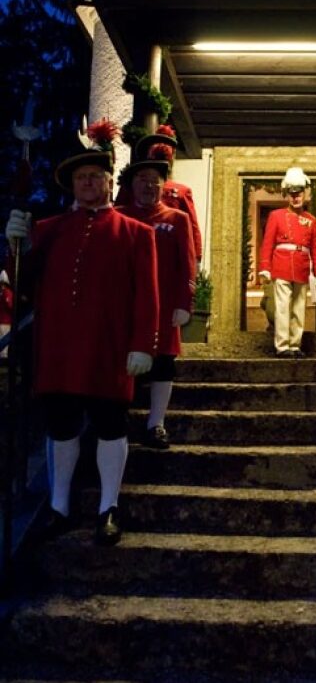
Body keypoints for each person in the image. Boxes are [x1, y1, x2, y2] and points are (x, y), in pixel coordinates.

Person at [5, 119, 159, 545]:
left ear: (110, 183)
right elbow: (20, 284)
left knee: (112, 426)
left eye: (95, 176)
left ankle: (109, 506)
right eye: (80, 178)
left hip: (110, 350)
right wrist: (14, 244)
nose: (88, 183)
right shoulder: (48, 230)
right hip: (59, 349)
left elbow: (148, 295)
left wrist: (144, 344)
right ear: (71, 185)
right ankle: (58, 506)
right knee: (61, 427)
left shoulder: (137, 233)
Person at [117, 128, 196, 449]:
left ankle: (156, 423)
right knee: (123, 360)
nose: (149, 186)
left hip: (164, 305)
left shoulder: (176, 218)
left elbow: (187, 262)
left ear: (163, 186)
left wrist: (185, 302)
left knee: (163, 362)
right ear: (132, 184)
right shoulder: (120, 217)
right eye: (142, 180)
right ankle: (117, 419)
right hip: (125, 305)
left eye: (155, 181)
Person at [115, 124, 203, 265]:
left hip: (165, 249)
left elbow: (191, 228)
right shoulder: (131, 186)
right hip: (133, 245)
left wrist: (195, 257)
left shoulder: (182, 191)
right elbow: (117, 217)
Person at [259, 167, 316, 358]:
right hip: (281, 265)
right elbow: (268, 243)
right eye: (293, 194)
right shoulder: (276, 216)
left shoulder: (311, 220)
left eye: (299, 193)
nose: (296, 197)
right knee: (282, 308)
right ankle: (282, 345)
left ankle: (295, 344)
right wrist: (265, 267)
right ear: (288, 195)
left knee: (299, 308)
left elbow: (315, 248)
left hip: (302, 267)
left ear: (305, 194)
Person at [0, 269, 13, 359]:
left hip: (1, 320)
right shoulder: (7, 292)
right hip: (6, 321)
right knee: (5, 341)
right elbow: (10, 306)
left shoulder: (1, 293)